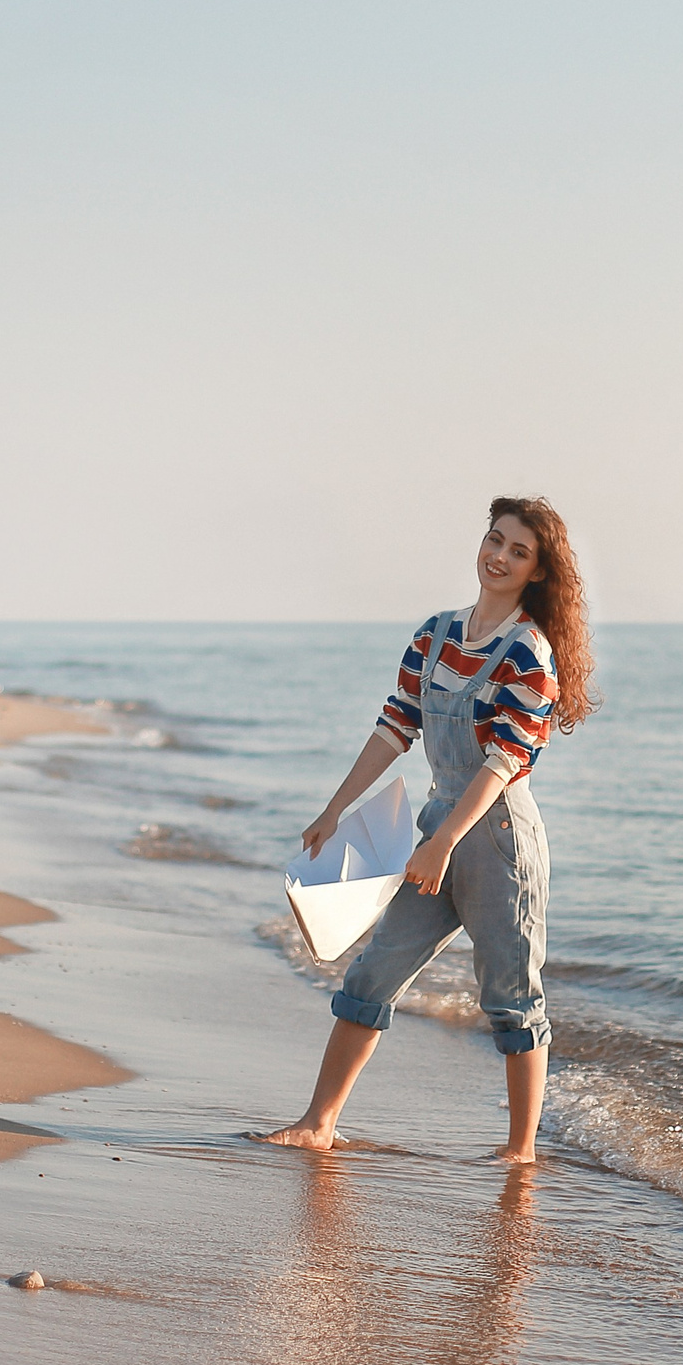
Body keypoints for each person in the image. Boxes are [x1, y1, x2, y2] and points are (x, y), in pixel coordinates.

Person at [258, 496, 596, 1162]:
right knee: (371, 976)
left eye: (518, 551)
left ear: (537, 571)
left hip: (498, 841)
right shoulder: (435, 635)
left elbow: (503, 763)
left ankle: (521, 1151)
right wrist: (335, 810)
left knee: (512, 997)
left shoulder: (529, 652)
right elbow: (394, 728)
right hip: (438, 826)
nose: (499, 557)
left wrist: (444, 843)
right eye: (495, 540)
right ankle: (318, 1123)